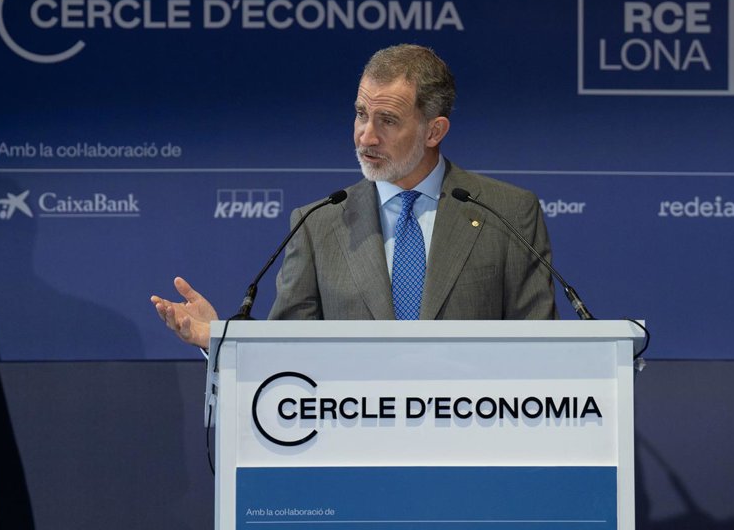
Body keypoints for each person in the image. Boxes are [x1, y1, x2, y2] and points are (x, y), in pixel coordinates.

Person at [151, 44, 557, 348]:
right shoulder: (318, 224)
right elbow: (287, 352)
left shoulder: (507, 212)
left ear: (434, 131)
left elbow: (540, 347)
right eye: (362, 114)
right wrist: (218, 339)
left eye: (388, 120)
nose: (366, 136)